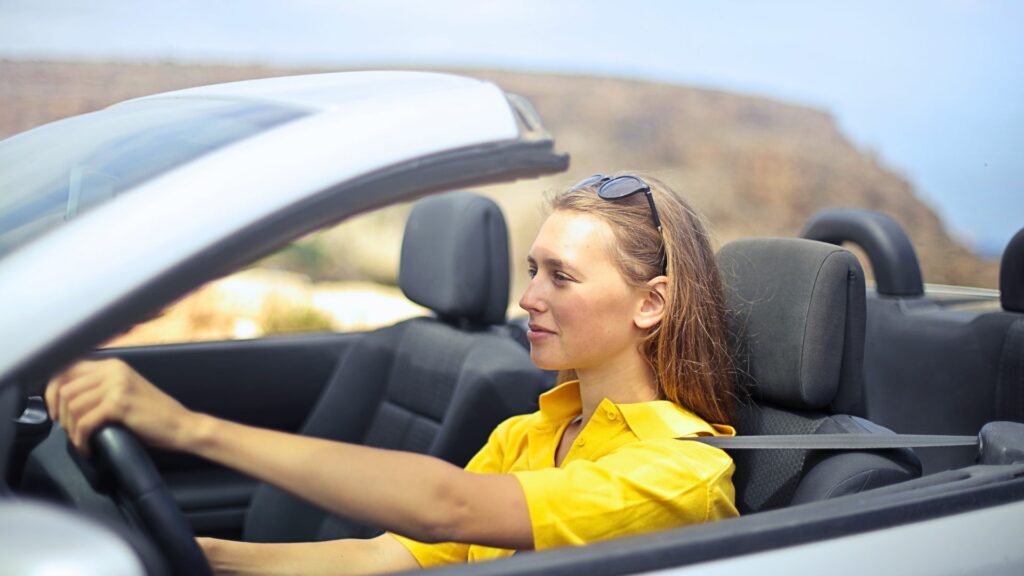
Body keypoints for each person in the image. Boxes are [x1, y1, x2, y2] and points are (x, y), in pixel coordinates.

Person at [46, 173, 739, 575]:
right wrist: (194, 556)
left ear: (651, 303)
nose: (529, 298)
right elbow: (383, 556)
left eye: (562, 276)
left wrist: (188, 428)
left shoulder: (680, 472)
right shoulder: (528, 435)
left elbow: (449, 505)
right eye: (533, 270)